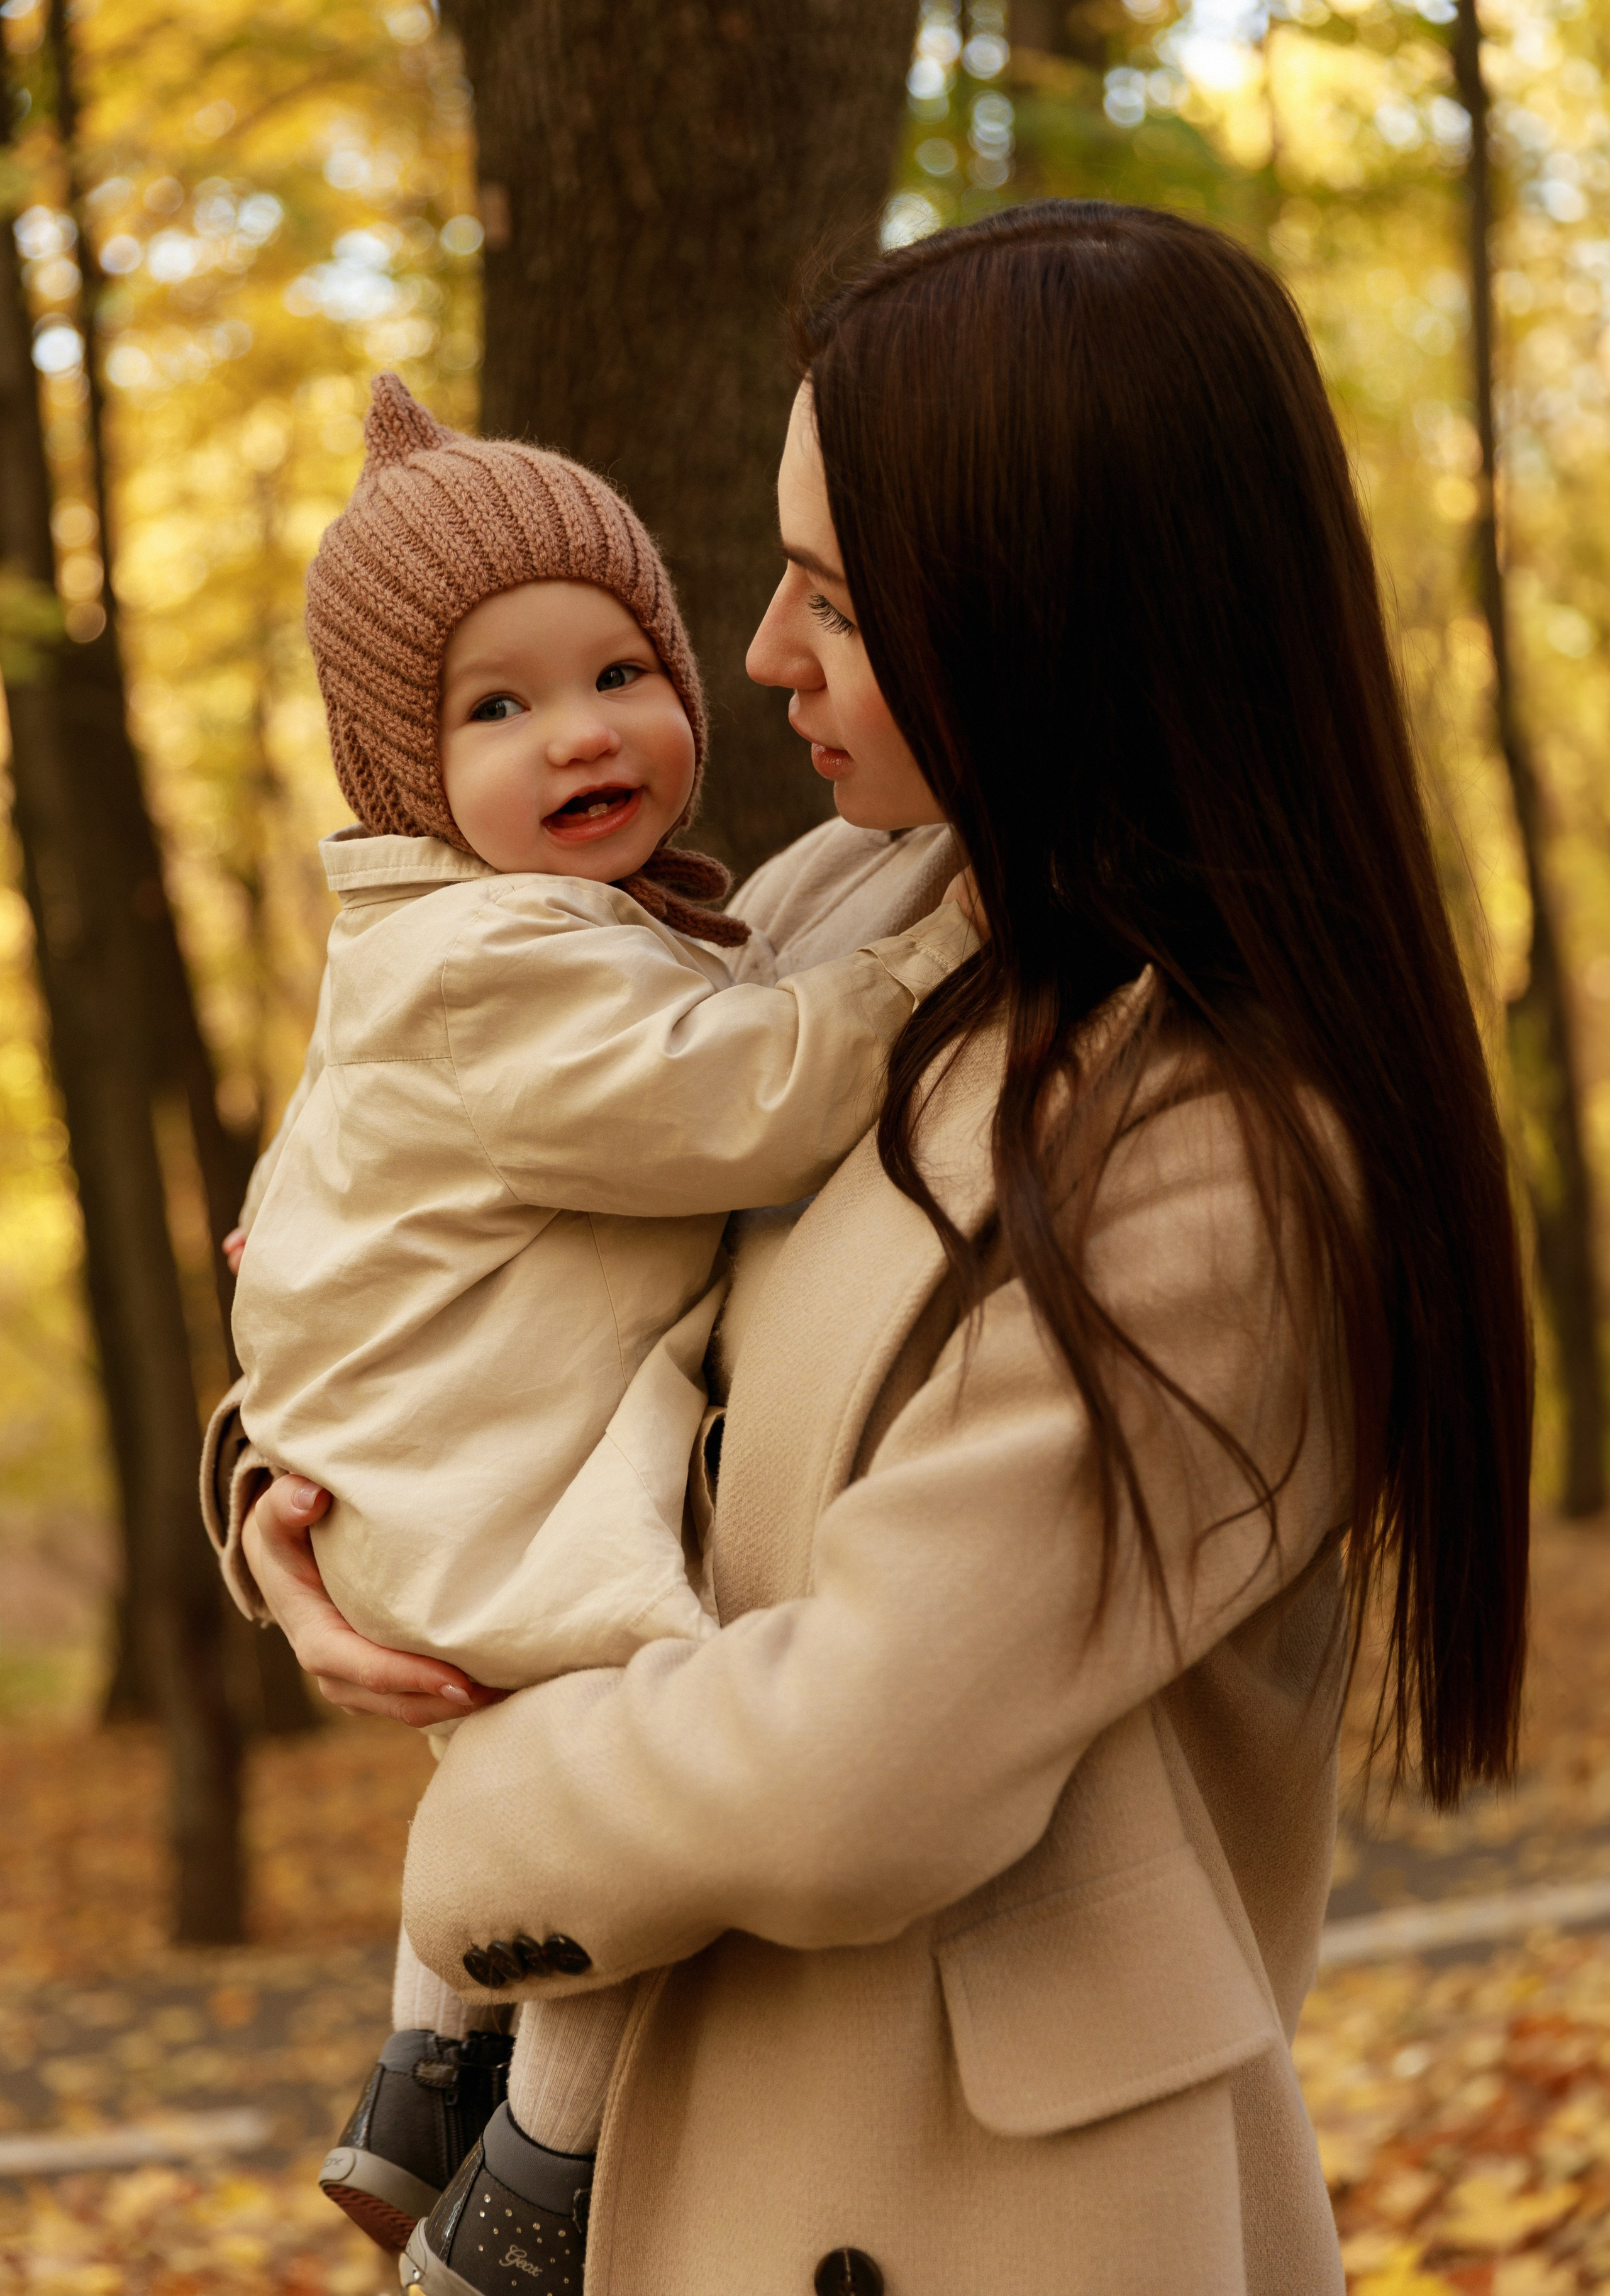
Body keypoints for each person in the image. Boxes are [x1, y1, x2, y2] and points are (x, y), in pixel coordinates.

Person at [223, 202, 1531, 2296]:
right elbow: (439, 1215)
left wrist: (472, 1820)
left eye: (832, 591)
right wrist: (296, 1523)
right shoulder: (841, 907)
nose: (757, 655)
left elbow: (859, 1763)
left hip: (972, 2204)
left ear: (1040, 606)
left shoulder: (1234, 1148)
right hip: (685, 2135)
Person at [213, 374, 972, 2267]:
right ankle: (538, 2171)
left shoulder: (565, 926)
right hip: (471, 1470)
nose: (582, 732)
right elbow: (751, 1094)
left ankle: (419, 2079)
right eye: (497, 706)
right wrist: (938, 951)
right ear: (404, 768)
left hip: (448, 1449)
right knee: (620, 1723)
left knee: (537, 1731)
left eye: (618, 669)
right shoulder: (511, 954)